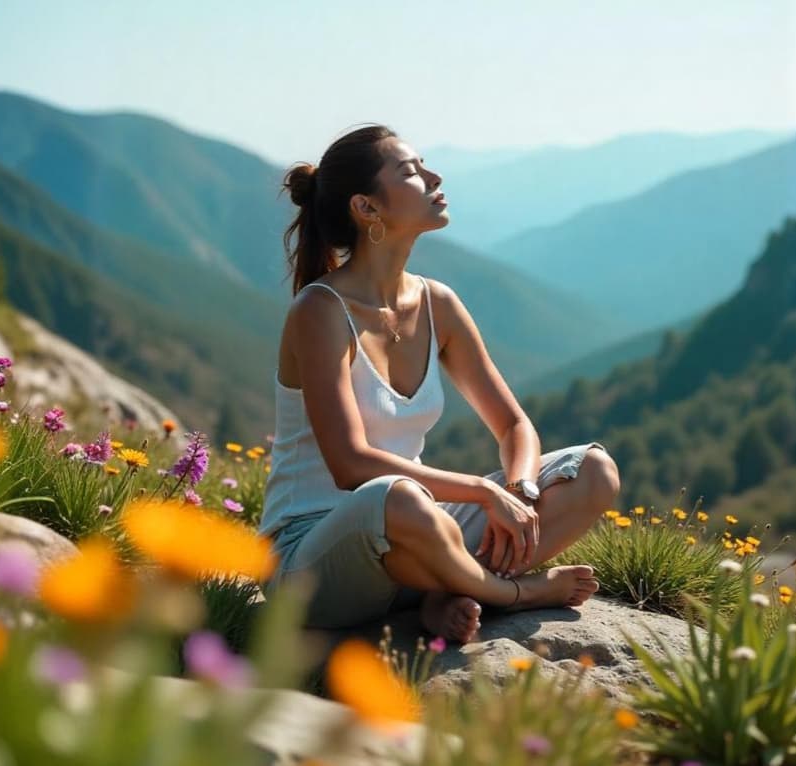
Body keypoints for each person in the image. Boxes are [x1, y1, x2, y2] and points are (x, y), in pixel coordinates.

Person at [259, 123, 620, 644]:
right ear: (367, 209)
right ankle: (513, 592)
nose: (433, 175)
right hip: (309, 558)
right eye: (410, 171)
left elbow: (514, 424)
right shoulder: (320, 311)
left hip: (415, 538)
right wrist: (480, 492)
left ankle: (445, 592)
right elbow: (350, 465)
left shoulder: (438, 304)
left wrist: (517, 490)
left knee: (593, 470)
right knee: (401, 499)